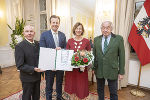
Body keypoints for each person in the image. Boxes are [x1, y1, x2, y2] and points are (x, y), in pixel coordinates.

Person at [93, 21, 125, 100]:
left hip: (112, 70)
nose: (105, 30)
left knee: (113, 92)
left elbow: (122, 56)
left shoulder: (118, 39)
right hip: (99, 69)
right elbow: (94, 55)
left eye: (107, 28)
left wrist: (121, 72)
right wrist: (93, 68)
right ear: (101, 29)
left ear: (111, 28)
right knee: (100, 90)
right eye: (103, 28)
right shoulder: (96, 39)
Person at [40, 15, 66, 100]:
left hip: (60, 65)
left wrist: (61, 49)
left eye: (57, 22)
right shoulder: (44, 35)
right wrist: (54, 51)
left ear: (59, 23)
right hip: (49, 65)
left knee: (59, 83)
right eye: (53, 22)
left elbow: (65, 49)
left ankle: (59, 97)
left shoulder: (63, 35)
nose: (55, 24)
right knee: (49, 84)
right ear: (50, 23)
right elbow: (43, 50)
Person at [15, 25, 44, 100]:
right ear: (23, 33)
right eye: (27, 31)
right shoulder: (19, 46)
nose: (29, 33)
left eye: (31, 31)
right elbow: (20, 65)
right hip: (27, 78)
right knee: (26, 97)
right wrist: (33, 69)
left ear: (34, 33)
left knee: (36, 96)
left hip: (37, 76)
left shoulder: (38, 44)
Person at [64, 22, 91, 99]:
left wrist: (84, 60)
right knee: (71, 86)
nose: (78, 30)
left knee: (81, 87)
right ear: (74, 29)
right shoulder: (69, 41)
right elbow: (67, 53)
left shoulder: (86, 41)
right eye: (77, 28)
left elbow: (89, 54)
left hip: (81, 69)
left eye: (80, 28)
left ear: (82, 30)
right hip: (71, 69)